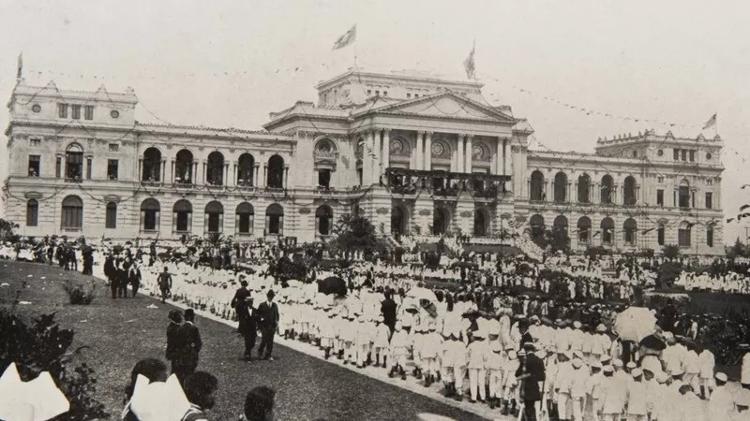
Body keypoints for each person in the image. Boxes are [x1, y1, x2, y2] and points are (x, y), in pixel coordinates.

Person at [516, 343, 545, 421]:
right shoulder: (540, 360)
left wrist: (527, 375)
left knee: (528, 407)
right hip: (535, 387)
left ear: (525, 350)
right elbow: (542, 377)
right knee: (531, 407)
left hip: (526, 386)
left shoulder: (525, 360)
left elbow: (517, 374)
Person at [174, 309, 202, 383]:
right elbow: (199, 344)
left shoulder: (180, 328)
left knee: (181, 376)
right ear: (191, 317)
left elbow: (176, 343)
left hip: (181, 357)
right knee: (189, 375)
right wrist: (194, 350)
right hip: (191, 357)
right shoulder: (194, 329)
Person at [256, 290, 279, 361]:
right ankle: (260, 352)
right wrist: (261, 321)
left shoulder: (275, 305)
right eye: (269, 296)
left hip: (272, 326)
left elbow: (277, 315)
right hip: (264, 326)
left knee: (270, 341)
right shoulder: (262, 305)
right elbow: (258, 314)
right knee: (264, 340)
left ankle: (268, 355)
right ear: (267, 296)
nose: (270, 298)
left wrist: (276, 323)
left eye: (272, 296)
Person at [166, 310, 183, 377]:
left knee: (175, 368)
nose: (181, 318)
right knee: (176, 370)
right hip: (176, 352)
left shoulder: (172, 327)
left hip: (173, 351)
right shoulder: (176, 329)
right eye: (180, 317)